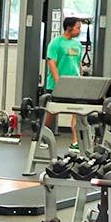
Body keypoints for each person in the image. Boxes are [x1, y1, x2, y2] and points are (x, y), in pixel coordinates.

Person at [45, 17, 86, 149]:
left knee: (77, 112)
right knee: (51, 113)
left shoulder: (78, 45)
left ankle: (75, 142)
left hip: (74, 84)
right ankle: (43, 137)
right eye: (78, 27)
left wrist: (81, 78)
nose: (80, 30)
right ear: (69, 28)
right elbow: (52, 63)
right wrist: (59, 83)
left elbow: (78, 64)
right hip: (56, 85)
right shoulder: (55, 43)